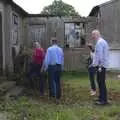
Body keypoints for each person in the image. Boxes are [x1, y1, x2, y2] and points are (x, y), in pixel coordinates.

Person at [42, 37, 64, 103]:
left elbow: (47, 60)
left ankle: (52, 97)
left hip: (52, 67)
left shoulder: (50, 49)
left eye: (50, 42)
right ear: (56, 42)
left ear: (52, 42)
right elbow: (62, 59)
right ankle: (58, 97)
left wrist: (45, 68)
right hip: (59, 66)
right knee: (57, 82)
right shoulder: (60, 49)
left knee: (51, 81)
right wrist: (61, 67)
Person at [92, 30, 109, 105]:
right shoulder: (102, 42)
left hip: (101, 66)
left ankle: (103, 100)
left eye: (93, 35)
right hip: (102, 65)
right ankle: (101, 97)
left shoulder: (99, 43)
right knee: (100, 82)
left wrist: (99, 66)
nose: (92, 37)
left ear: (97, 34)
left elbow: (100, 55)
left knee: (101, 82)